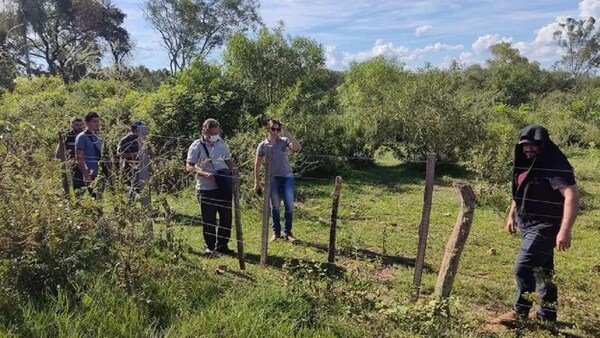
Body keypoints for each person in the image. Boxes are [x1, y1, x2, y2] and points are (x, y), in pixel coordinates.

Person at [492, 124, 579, 325]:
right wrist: (511, 214)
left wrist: (565, 230)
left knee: (524, 267)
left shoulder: (554, 165)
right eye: (525, 145)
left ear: (543, 145)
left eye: (533, 145)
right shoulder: (526, 163)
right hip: (528, 224)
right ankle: (547, 314)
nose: (528, 149)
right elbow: (521, 190)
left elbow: (571, 196)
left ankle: (519, 313)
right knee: (543, 271)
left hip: (546, 227)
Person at [186, 118, 237, 254]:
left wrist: (234, 172)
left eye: (216, 132)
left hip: (223, 185)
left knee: (226, 217)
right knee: (209, 219)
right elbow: (189, 166)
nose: (214, 135)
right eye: (211, 133)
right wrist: (203, 173)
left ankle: (223, 246)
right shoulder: (196, 146)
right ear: (204, 131)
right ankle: (210, 247)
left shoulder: (221, 143)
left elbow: (227, 159)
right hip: (206, 188)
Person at [253, 119, 301, 243]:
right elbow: (257, 164)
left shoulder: (284, 141)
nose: (275, 132)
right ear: (268, 129)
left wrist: (287, 133)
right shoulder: (262, 145)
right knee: (274, 206)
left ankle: (288, 232)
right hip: (272, 178)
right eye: (273, 129)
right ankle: (276, 232)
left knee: (289, 205)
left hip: (287, 177)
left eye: (277, 129)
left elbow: (297, 148)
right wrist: (256, 181)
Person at [73, 112, 103, 198]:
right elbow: (79, 158)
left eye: (98, 121)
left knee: (98, 199)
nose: (97, 124)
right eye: (94, 121)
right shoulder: (82, 137)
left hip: (97, 174)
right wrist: (86, 176)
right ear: (87, 123)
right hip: (88, 174)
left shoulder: (97, 136)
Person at [55, 117, 84, 193]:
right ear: (72, 125)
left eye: (81, 125)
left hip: (84, 161)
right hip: (72, 162)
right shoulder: (67, 136)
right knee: (75, 183)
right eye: (77, 125)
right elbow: (59, 151)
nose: (79, 127)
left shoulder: (85, 135)